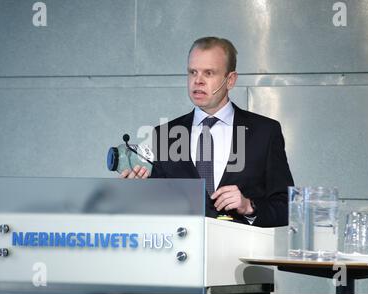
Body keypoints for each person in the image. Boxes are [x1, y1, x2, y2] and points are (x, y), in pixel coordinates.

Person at [121, 37, 294, 227]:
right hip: (183, 253)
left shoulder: (265, 132)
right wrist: (138, 191)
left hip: (241, 254)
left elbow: (287, 206)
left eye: (209, 73)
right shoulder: (165, 134)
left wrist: (249, 206)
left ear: (230, 80)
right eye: (192, 72)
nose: (198, 81)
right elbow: (157, 208)